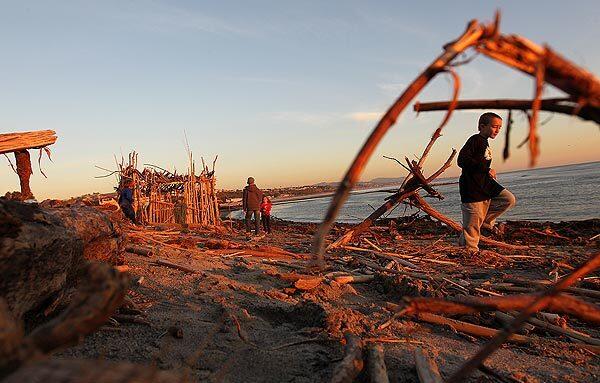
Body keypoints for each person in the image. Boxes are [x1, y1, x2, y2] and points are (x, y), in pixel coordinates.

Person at [457, 112, 516, 253]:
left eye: (500, 128)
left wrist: (486, 171)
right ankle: (470, 252)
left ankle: (485, 222)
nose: (497, 130)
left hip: (486, 184)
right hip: (472, 187)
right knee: (472, 225)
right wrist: (486, 169)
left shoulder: (484, 142)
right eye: (495, 126)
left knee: (508, 199)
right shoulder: (475, 140)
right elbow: (462, 160)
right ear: (482, 126)